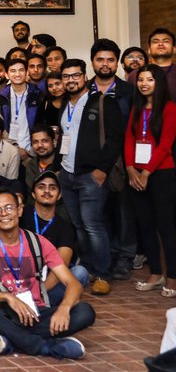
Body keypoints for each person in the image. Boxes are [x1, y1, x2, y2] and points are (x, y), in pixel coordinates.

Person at [0, 188, 96, 359]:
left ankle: (10, 338)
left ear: (19, 210)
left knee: (85, 312)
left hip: (34, 312)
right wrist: (8, 297)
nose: (4, 214)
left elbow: (73, 283)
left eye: (9, 207)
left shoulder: (38, 243)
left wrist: (64, 308)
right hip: (1, 312)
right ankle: (42, 346)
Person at [56, 58, 123, 295]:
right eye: (66, 76)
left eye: (75, 75)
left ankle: (103, 273)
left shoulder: (102, 102)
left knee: (94, 225)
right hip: (67, 174)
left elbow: (115, 139)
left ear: (85, 77)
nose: (71, 80)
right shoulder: (65, 105)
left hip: (91, 176)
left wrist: (102, 169)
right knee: (79, 226)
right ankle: (90, 267)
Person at [125, 64, 176, 296]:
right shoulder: (136, 108)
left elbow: (166, 145)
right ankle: (156, 273)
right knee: (145, 226)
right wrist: (130, 170)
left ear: (159, 83)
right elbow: (128, 140)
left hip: (162, 173)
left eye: (150, 79)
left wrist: (146, 172)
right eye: (141, 79)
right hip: (137, 174)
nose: (144, 83)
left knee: (166, 227)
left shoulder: (170, 108)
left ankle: (173, 276)